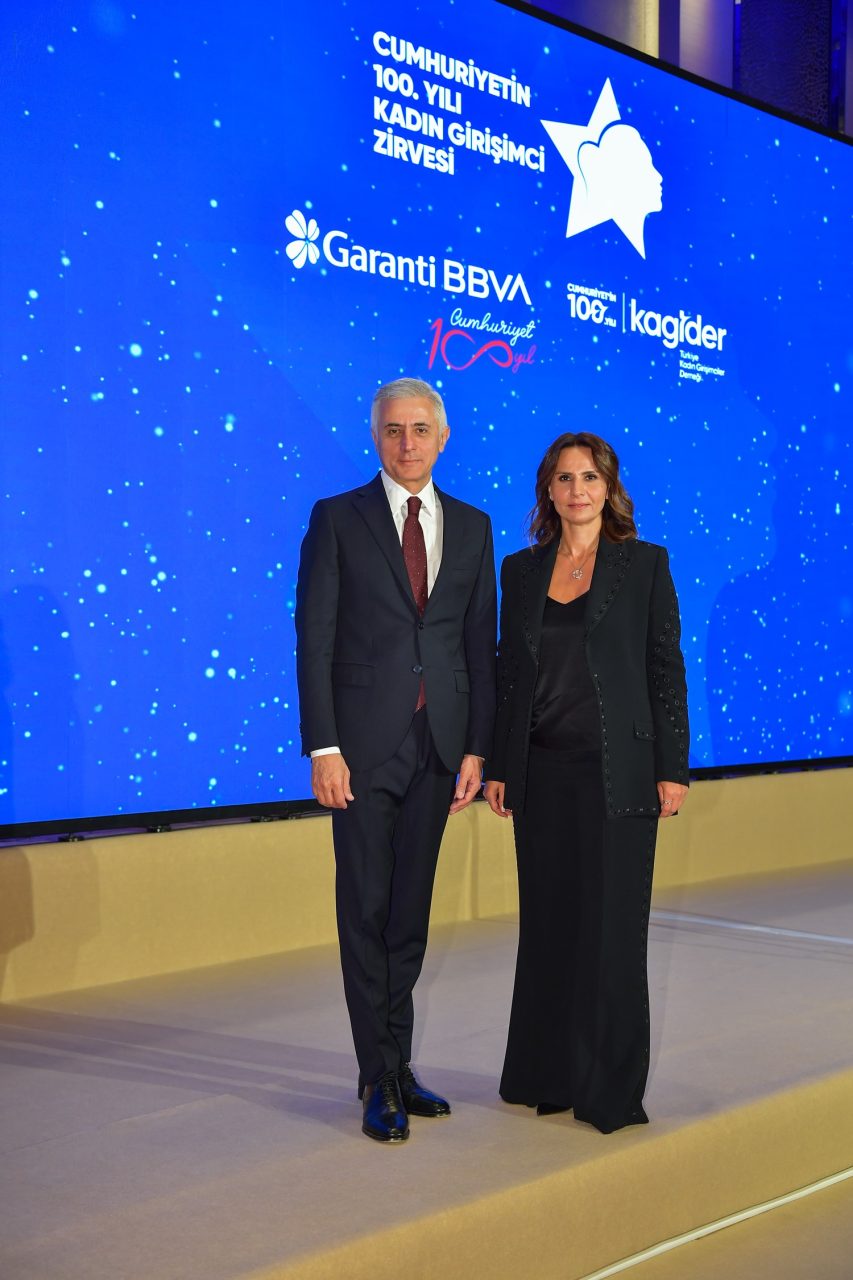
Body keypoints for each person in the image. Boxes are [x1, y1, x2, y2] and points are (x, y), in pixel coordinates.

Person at [295, 377, 496, 1143]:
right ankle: (376, 1074)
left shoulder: (473, 526)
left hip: (439, 747)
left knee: (408, 914)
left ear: (442, 438)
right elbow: (314, 638)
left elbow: (477, 645)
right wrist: (324, 746)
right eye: (392, 430)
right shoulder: (336, 517)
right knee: (365, 911)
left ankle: (397, 1063)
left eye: (419, 429)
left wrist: (476, 745)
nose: (406, 443)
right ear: (374, 437)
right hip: (360, 750)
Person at [484, 432, 689, 1134]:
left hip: (619, 774)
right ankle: (547, 1075)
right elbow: (509, 672)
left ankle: (610, 1092)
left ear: (609, 487)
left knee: (612, 936)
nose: (577, 490)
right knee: (550, 930)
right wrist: (501, 763)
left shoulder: (645, 564)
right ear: (548, 489)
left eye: (590, 478)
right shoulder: (520, 570)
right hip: (541, 774)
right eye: (564, 478)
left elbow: (665, 669)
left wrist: (671, 767)